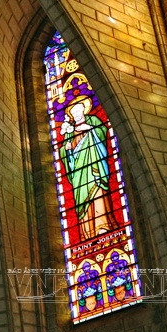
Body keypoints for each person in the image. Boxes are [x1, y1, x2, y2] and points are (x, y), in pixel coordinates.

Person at [59, 96, 114, 240]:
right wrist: (67, 148)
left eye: (79, 111)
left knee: (98, 193)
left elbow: (102, 132)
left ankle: (102, 227)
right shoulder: (70, 130)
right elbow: (64, 151)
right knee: (83, 200)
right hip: (79, 172)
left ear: (84, 109)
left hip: (94, 164)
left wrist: (90, 129)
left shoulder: (93, 121)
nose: (77, 114)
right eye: (74, 113)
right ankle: (87, 233)